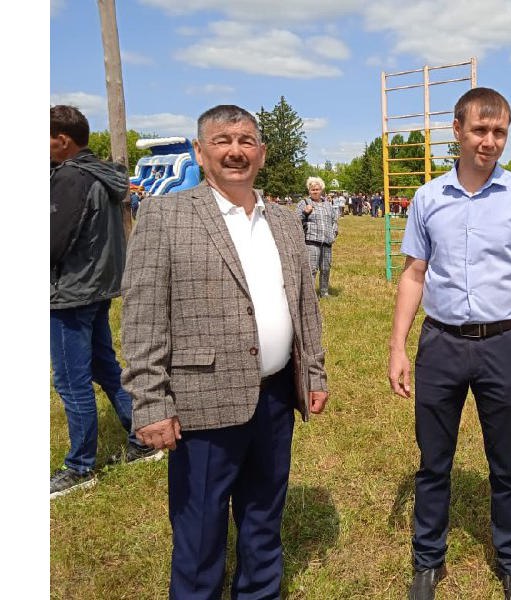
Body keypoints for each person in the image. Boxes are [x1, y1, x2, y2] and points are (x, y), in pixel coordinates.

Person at [120, 105, 329, 599]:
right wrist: (150, 401)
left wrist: (313, 374)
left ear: (262, 152)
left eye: (246, 140)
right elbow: (143, 314)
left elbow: (302, 304)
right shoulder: (166, 214)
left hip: (276, 397)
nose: (236, 150)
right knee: (199, 532)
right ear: (199, 150)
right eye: (222, 140)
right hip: (202, 401)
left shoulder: (282, 219)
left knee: (263, 517)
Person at [388, 88, 511, 600]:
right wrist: (398, 345)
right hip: (439, 344)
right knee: (433, 459)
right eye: (481, 130)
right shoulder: (427, 198)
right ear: (458, 131)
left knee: (506, 462)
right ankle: (427, 561)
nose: (490, 141)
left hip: (502, 345)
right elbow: (414, 274)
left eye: (500, 131)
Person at [50, 105, 161, 499]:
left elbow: (53, 240)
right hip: (97, 287)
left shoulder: (69, 177)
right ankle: (143, 437)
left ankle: (80, 467)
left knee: (71, 380)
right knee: (104, 366)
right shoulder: (101, 174)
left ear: (62, 140)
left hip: (70, 293)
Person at [298, 176, 339, 298]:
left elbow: (334, 220)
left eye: (317, 189)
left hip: (327, 241)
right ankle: (309, 295)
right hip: (311, 241)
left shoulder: (328, 204)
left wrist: (333, 233)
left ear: (322, 190)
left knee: (326, 268)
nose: (315, 191)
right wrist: (305, 212)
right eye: (312, 189)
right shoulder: (304, 203)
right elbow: (296, 220)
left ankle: (324, 292)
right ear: (309, 191)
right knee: (312, 269)